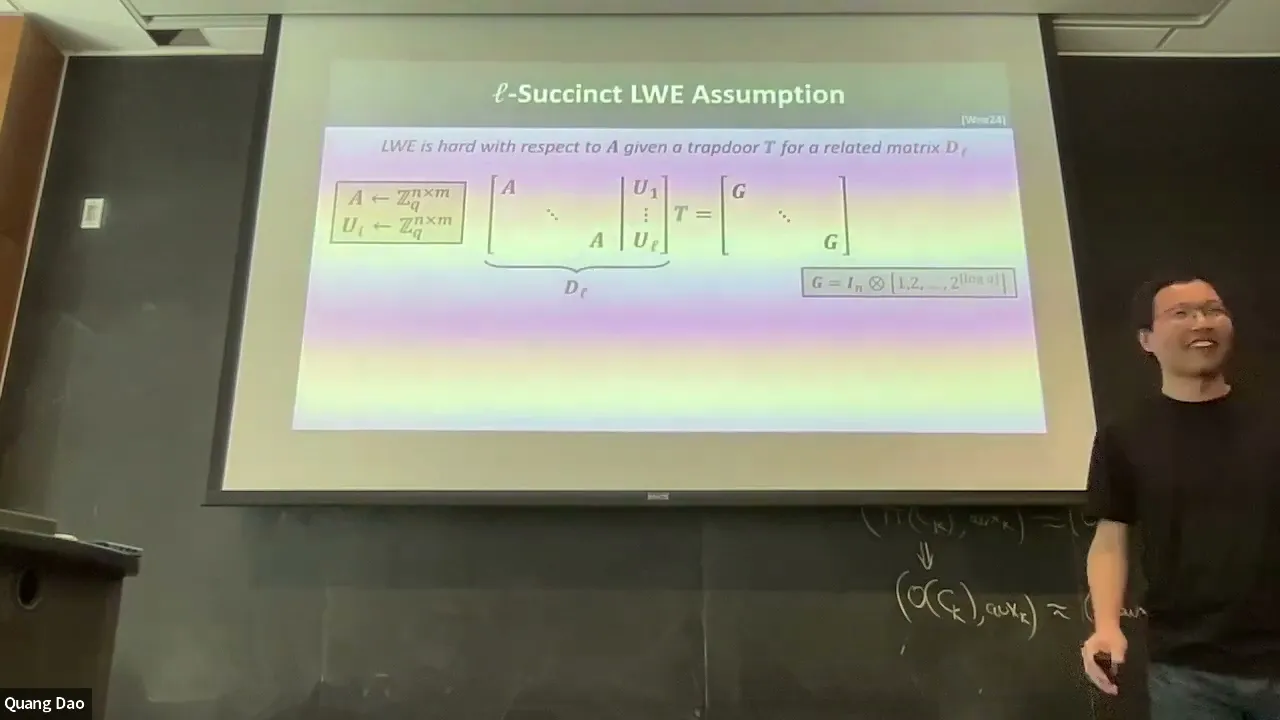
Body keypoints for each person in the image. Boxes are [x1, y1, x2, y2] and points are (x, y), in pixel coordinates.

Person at [1080, 275, 1280, 719]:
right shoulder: (1124, 435)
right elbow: (1111, 537)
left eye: (1213, 310)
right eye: (1181, 314)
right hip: (1186, 670)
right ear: (1146, 340)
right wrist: (1106, 626)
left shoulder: (1272, 422)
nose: (1202, 322)